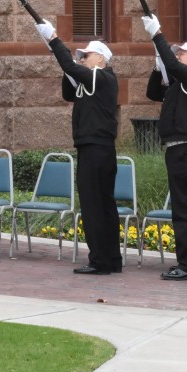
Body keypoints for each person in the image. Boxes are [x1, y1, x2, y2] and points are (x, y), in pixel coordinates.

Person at [36, 21, 121, 275]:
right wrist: (59, 57)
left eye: (87, 56)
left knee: (96, 205)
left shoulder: (103, 77)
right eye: (81, 56)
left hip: (97, 147)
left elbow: (71, 66)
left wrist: (53, 38)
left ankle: (100, 260)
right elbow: (68, 90)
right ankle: (110, 258)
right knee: (101, 204)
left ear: (102, 59)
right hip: (93, 147)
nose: (82, 59)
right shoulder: (89, 82)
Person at [142, 14, 187, 281]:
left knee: (184, 210)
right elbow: (153, 92)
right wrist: (157, 64)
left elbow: (176, 67)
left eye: (182, 53)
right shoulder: (181, 85)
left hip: (185, 148)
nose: (178, 56)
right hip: (178, 149)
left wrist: (157, 34)